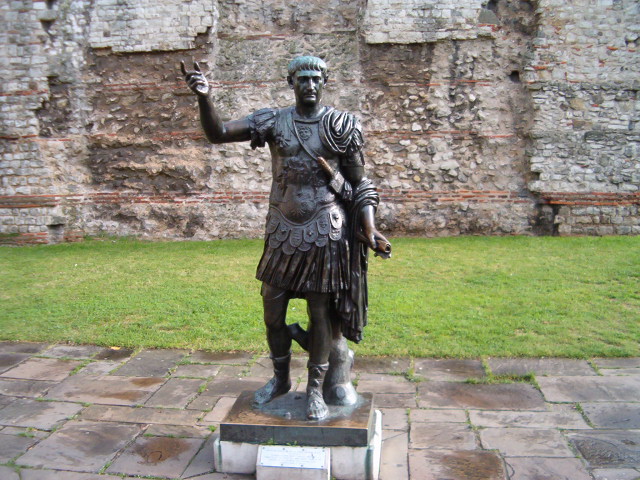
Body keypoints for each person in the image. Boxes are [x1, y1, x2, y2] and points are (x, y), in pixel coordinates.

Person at [181, 56, 390, 420]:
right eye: (302, 79)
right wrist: (204, 97)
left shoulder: (341, 125)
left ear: (324, 82)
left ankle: (315, 389)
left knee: (320, 312)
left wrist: (370, 227)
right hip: (282, 229)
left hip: (326, 227)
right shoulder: (273, 121)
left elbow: (360, 183)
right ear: (291, 82)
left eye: (315, 79)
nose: (309, 85)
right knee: (272, 309)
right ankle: (280, 379)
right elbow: (219, 133)